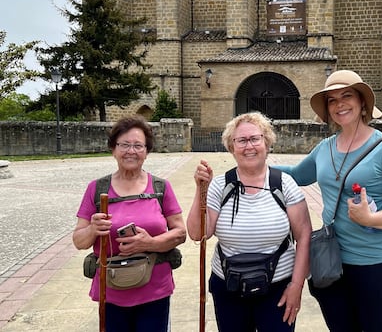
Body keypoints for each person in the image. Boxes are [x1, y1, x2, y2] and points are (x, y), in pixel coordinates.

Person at [274, 70, 382, 332]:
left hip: (376, 265)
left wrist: (373, 219)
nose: (339, 104)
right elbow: (298, 175)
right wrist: (254, 167)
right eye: (332, 100)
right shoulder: (325, 147)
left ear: (362, 101)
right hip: (330, 262)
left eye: (346, 96)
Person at [186, 112, 312, 332]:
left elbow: (304, 236)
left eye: (255, 138)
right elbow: (198, 234)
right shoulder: (219, 186)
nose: (249, 146)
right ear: (231, 147)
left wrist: (296, 286)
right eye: (241, 140)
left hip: (278, 289)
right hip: (228, 287)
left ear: (267, 142)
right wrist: (201, 190)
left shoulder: (284, 184)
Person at [72, 115, 186, 332]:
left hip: (155, 287)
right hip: (111, 289)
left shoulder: (161, 187)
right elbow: (79, 241)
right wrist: (93, 229)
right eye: (124, 145)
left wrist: (149, 243)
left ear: (146, 151)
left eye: (138, 145)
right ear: (113, 149)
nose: (131, 151)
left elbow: (180, 233)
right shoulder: (97, 189)